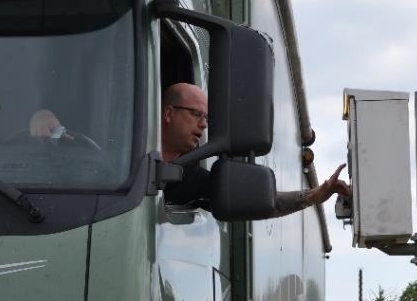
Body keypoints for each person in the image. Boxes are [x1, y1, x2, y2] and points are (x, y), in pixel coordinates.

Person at [29, 83, 349, 214]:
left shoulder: (194, 179)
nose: (204, 126)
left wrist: (312, 196)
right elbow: (54, 148)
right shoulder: (110, 149)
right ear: (169, 113)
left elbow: (260, 202)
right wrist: (40, 117)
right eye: (198, 115)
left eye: (207, 119)